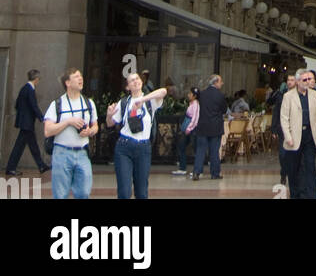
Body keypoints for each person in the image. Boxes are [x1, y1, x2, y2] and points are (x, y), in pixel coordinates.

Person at [107, 71, 168, 200]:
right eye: (131, 80)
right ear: (127, 87)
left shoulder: (150, 101)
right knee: (124, 191)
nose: (135, 81)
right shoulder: (124, 103)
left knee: (141, 191)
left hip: (143, 147)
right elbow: (110, 123)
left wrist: (142, 99)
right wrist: (109, 114)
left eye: (137, 79)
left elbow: (163, 91)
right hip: (124, 146)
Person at [43, 69, 99, 201]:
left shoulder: (88, 103)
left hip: (82, 153)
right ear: (67, 82)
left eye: (81, 76)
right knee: (61, 194)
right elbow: (47, 130)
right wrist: (68, 122)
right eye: (76, 76)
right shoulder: (57, 104)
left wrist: (90, 131)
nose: (81, 79)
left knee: (84, 193)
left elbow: (95, 125)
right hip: (62, 153)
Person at [280, 68, 316, 199]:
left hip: (310, 137)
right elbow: (284, 118)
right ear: (297, 81)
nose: (307, 82)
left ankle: (312, 195)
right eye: (304, 80)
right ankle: (296, 195)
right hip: (294, 138)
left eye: (308, 79)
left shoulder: (315, 95)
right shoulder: (288, 96)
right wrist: (288, 137)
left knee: (310, 167)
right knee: (294, 170)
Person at [5, 68, 48, 176]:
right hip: (27, 123)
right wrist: (42, 118)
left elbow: (17, 105)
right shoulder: (29, 89)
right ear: (36, 79)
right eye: (39, 79)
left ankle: (41, 165)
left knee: (31, 146)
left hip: (25, 122)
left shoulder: (24, 88)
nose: (39, 81)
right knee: (21, 147)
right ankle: (11, 168)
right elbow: (34, 106)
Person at [192, 74, 229, 180]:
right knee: (214, 151)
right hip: (215, 127)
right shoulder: (220, 96)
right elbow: (224, 110)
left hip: (203, 126)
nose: (222, 83)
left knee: (200, 150)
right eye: (220, 81)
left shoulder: (202, 94)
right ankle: (215, 173)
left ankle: (196, 172)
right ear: (215, 82)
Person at [268, 76, 295, 184]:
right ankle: (284, 173)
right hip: (282, 128)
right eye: (288, 80)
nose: (289, 82)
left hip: (295, 128)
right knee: (282, 154)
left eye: (292, 80)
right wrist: (273, 128)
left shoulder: (299, 95)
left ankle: (293, 174)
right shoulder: (280, 94)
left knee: (294, 153)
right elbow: (276, 112)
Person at [173, 87, 199, 176]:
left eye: (190, 94)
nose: (188, 95)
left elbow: (195, 117)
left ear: (194, 96)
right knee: (182, 146)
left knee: (194, 148)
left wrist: (189, 128)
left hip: (192, 129)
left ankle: (197, 169)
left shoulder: (195, 104)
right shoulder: (191, 103)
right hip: (188, 128)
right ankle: (182, 167)